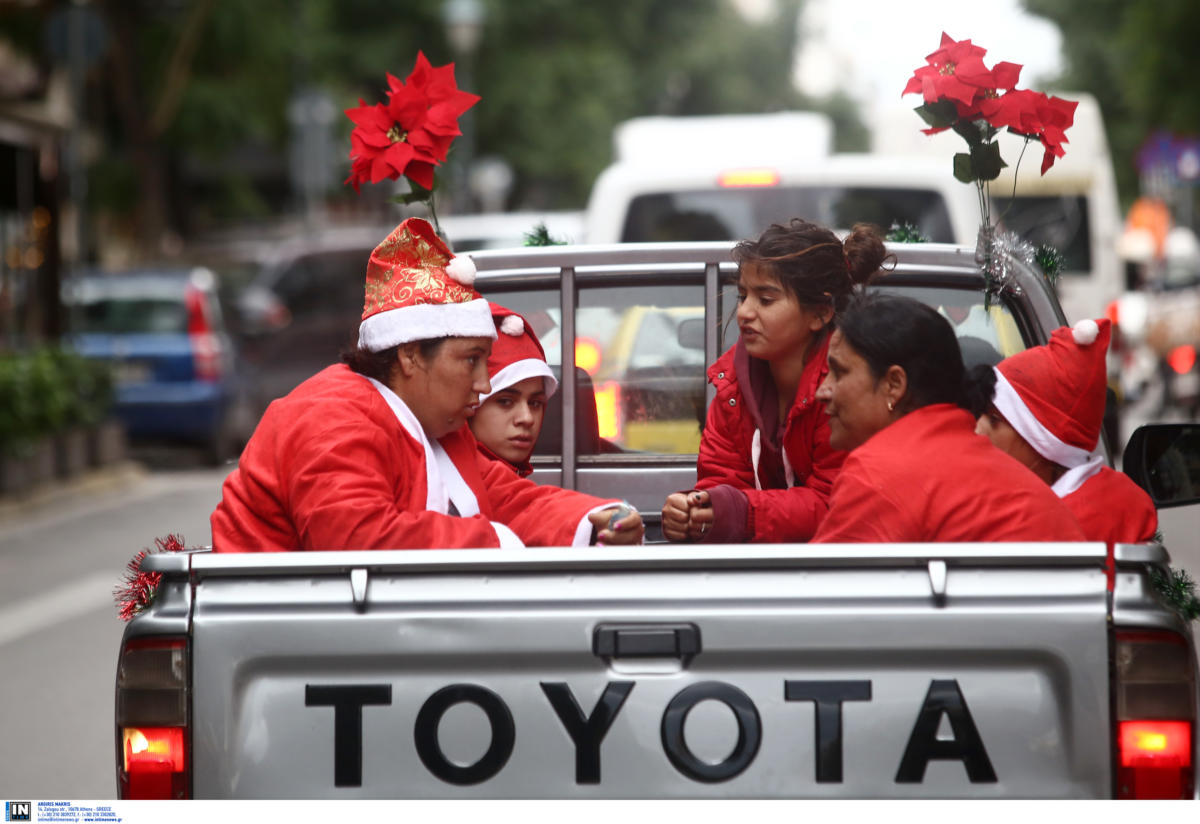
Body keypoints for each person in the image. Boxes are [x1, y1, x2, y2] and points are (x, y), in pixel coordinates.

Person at [211, 217, 643, 551]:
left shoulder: (435, 424)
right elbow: (364, 541)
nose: (483, 383)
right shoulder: (330, 418)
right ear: (411, 354)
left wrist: (596, 518)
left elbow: (510, 500)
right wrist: (499, 544)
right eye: (472, 361)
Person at [661, 219, 886, 543]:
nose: (744, 313)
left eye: (765, 300)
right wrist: (694, 512)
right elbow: (721, 484)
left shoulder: (848, 388)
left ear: (820, 314)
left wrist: (741, 512)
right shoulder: (731, 387)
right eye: (742, 296)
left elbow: (835, 503)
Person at [811, 293, 1086, 543]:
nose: (822, 391)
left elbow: (815, 590)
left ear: (894, 384)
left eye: (840, 372)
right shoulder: (969, 453)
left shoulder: (877, 472)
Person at [976, 318, 1157, 545]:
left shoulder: (1041, 526)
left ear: (1042, 443)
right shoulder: (1123, 505)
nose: (978, 429)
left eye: (994, 420)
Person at [469, 303, 556, 477]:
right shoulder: (443, 484)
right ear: (469, 401)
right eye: (505, 401)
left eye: (535, 403)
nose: (527, 418)